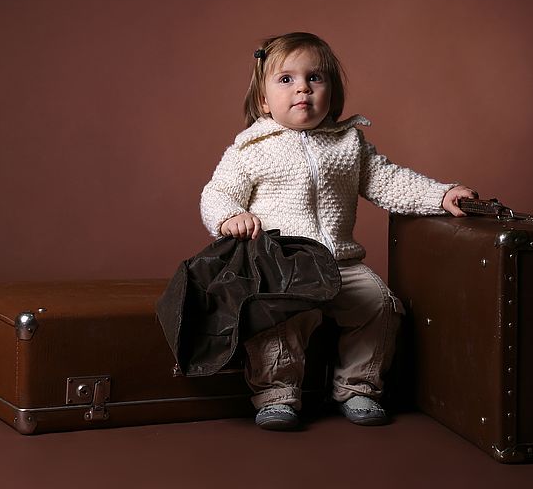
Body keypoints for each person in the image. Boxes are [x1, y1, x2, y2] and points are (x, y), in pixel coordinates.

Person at [200, 32, 476, 431]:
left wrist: (442, 195)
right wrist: (229, 216)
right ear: (263, 100)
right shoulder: (251, 148)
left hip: (340, 263)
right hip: (283, 266)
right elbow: (217, 193)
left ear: (332, 92)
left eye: (315, 78)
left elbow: (390, 181)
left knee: (378, 303)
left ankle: (357, 386)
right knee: (276, 319)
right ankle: (276, 393)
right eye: (286, 80)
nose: (302, 89)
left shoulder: (348, 143)